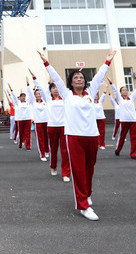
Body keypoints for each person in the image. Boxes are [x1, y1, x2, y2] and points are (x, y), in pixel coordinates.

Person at [38, 49, 115, 221]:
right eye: (75, 78)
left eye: (81, 78)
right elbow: (56, 77)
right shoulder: (66, 95)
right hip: (74, 137)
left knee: (89, 168)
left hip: (92, 136)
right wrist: (46, 62)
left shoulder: (90, 93)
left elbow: (99, 76)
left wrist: (107, 61)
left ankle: (87, 194)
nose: (79, 79)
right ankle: (83, 205)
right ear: (71, 83)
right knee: (79, 171)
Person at [32, 73, 71, 181]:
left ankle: (65, 173)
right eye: (53, 88)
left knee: (65, 151)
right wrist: (34, 78)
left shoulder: (66, 98)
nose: (55, 89)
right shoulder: (48, 99)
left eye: (57, 87)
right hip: (52, 127)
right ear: (50, 90)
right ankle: (53, 167)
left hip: (64, 127)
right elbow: (39, 87)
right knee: (53, 149)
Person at [110, 78, 136, 159]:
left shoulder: (132, 98)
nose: (125, 91)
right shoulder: (120, 99)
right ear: (121, 92)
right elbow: (115, 91)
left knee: (134, 138)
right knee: (122, 136)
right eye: (123, 90)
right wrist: (111, 83)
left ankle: (133, 153)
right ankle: (118, 149)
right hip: (124, 120)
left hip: (133, 120)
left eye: (126, 90)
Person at [27, 75, 49, 161]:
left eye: (39, 94)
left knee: (47, 138)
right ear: (35, 95)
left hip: (46, 122)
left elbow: (46, 90)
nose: (39, 95)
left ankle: (47, 150)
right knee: (40, 139)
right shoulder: (33, 101)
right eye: (37, 94)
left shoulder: (45, 100)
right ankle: (42, 154)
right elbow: (29, 92)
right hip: (38, 122)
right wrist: (29, 84)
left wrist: (48, 82)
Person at [8, 83, 32, 151]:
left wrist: (29, 86)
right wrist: (11, 90)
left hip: (27, 119)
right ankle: (20, 143)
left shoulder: (28, 102)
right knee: (21, 133)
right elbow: (14, 97)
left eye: (24, 96)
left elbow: (31, 95)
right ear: (20, 97)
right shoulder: (17, 103)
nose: (23, 98)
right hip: (20, 120)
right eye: (22, 96)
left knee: (28, 133)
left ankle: (28, 146)